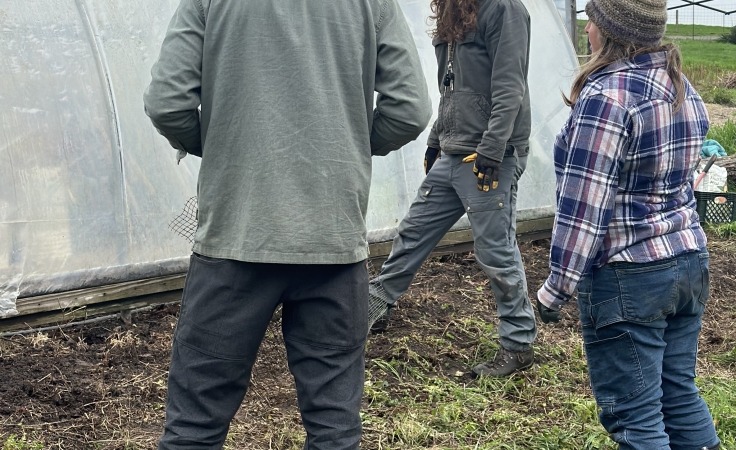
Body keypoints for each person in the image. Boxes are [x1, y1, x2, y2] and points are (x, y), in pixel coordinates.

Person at [143, 0, 431, 448]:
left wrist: (223, 144)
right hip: (333, 240)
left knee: (194, 426)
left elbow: (167, 102)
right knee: (334, 425)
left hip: (234, 240)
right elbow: (410, 109)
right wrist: (347, 138)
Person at [535, 0, 720, 448]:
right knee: (678, 394)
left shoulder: (607, 97)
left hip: (630, 276)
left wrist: (555, 288)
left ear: (610, 31)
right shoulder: (680, 86)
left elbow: (584, 208)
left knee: (636, 417)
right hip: (687, 261)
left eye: (592, 21)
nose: (586, 31)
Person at [367, 0, 536, 378]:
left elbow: (510, 85)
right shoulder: (454, 9)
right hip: (454, 148)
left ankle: (518, 344)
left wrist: (492, 151)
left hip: (489, 154)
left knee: (495, 251)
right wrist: (435, 138)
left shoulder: (504, 9)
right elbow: (451, 86)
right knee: (414, 231)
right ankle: (375, 305)